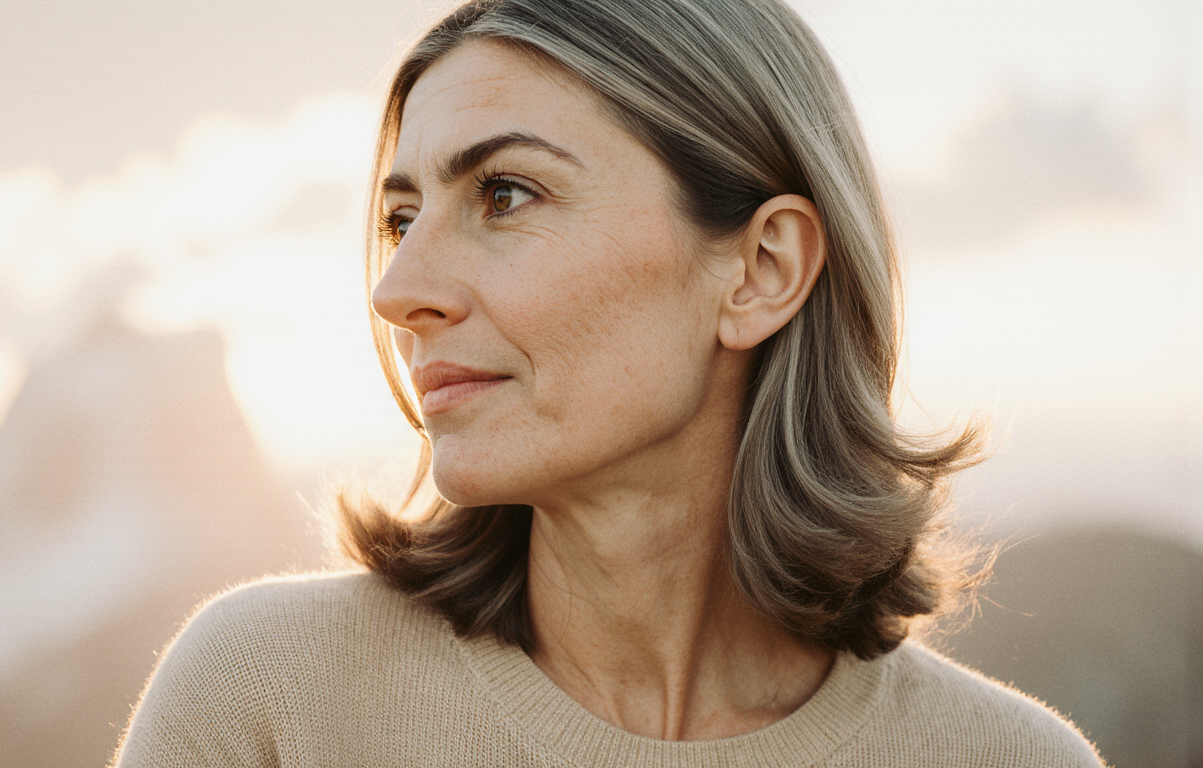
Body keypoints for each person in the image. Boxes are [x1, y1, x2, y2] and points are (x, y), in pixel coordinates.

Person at [114, 0, 1105, 765]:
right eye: (400, 216)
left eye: (503, 194)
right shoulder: (266, 701)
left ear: (759, 269)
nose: (397, 289)